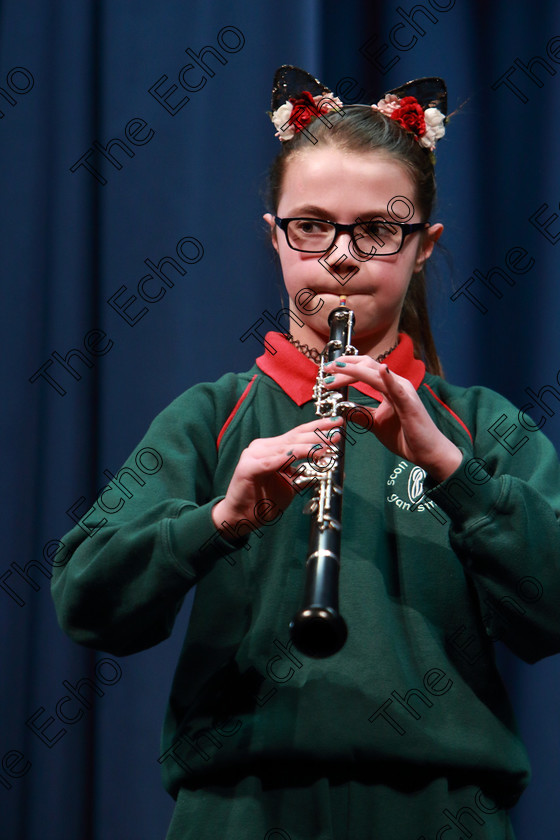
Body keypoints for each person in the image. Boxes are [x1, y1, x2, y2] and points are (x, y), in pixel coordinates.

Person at [51, 65, 560, 840]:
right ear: (275, 237)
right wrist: (218, 521)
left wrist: (455, 477)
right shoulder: (211, 415)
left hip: (440, 811)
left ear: (424, 247)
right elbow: (86, 601)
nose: (342, 257)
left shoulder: (483, 425)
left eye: (378, 230)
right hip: (241, 810)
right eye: (313, 225)